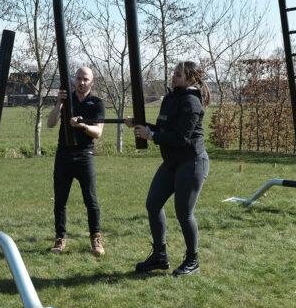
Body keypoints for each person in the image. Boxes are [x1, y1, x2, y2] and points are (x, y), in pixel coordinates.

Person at [125, 61, 210, 276]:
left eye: (178, 74)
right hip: (171, 162)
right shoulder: (171, 98)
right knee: (153, 204)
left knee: (184, 213)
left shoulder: (192, 102)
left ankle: (193, 260)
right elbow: (164, 129)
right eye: (174, 73)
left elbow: (181, 137)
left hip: (191, 163)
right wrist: (142, 126)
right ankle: (159, 256)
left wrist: (151, 136)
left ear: (191, 78)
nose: (173, 77)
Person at [46, 66, 106, 256]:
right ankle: (60, 239)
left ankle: (96, 239)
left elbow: (98, 132)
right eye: (79, 78)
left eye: (85, 79)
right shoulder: (66, 99)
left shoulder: (97, 103)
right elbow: (50, 123)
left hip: (84, 156)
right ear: (74, 80)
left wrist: (82, 126)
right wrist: (58, 104)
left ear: (92, 82)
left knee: (91, 200)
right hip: (63, 155)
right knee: (60, 201)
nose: (81, 82)